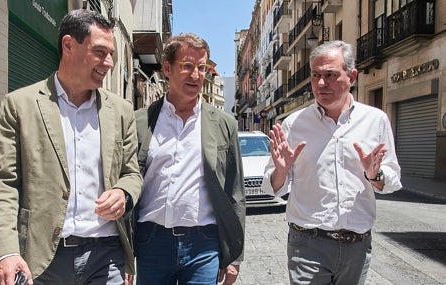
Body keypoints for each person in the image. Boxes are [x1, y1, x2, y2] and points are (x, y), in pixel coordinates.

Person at [0, 9, 142, 285]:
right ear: (68, 45)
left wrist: (123, 192)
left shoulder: (121, 110)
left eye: (112, 55)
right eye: (100, 52)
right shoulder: (20, 105)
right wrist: (7, 252)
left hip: (106, 253)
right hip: (43, 257)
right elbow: (3, 182)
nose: (109, 63)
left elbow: (132, 172)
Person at [262, 40, 402, 285]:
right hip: (307, 244)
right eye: (316, 75)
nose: (321, 83)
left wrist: (375, 175)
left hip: (356, 246)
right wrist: (281, 171)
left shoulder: (376, 120)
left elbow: (392, 179)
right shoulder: (294, 124)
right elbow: (273, 186)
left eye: (330, 75)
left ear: (352, 76)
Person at [134, 33, 246, 285]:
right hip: (151, 242)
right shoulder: (140, 122)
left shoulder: (224, 124)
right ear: (166, 68)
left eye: (201, 67)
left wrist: (235, 256)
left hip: (203, 244)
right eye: (187, 66)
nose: (196, 75)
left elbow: (235, 191)